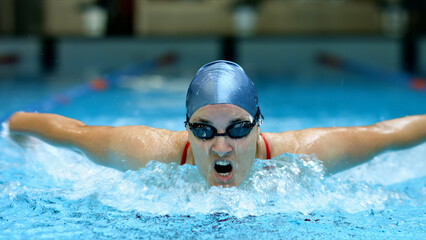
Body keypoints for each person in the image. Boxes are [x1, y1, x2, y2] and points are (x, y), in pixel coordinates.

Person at [7, 60, 426, 187]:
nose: (221, 146)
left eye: (238, 128)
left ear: (259, 125)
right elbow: (72, 133)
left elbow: (385, 136)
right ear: (187, 128)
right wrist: (15, 124)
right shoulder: (149, 152)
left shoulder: (305, 153)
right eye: (205, 129)